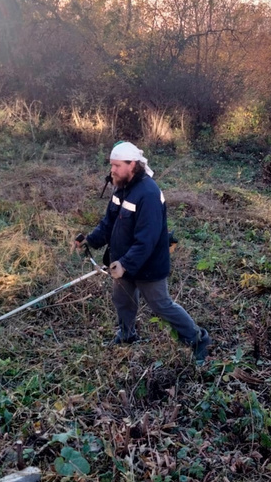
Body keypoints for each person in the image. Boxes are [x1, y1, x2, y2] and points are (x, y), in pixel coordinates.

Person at [77, 141, 211, 363]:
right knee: (123, 300)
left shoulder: (148, 193)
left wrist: (125, 264)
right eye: (112, 165)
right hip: (122, 262)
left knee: (161, 305)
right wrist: (90, 240)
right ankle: (127, 335)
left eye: (117, 165)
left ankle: (198, 339)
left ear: (133, 165)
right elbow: (109, 221)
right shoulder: (121, 186)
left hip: (147, 264)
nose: (112, 170)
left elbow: (146, 240)